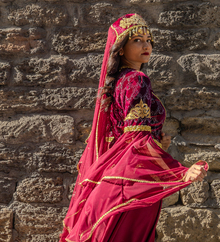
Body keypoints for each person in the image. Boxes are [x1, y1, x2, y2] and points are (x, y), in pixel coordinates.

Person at [61, 13, 208, 242]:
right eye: (137, 40)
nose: (146, 45)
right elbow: (138, 140)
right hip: (129, 183)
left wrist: (157, 141)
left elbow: (123, 135)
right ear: (120, 49)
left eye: (148, 39)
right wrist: (181, 172)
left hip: (116, 177)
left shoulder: (120, 79)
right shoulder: (136, 80)